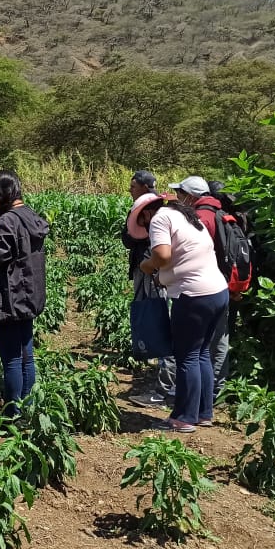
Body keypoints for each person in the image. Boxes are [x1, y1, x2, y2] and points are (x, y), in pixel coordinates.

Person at [136, 196, 229, 432]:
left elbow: (164, 256)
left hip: (193, 296)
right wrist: (163, 277)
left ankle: (184, 418)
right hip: (217, 291)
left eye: (142, 222)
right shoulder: (185, 216)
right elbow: (188, 258)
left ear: (147, 214)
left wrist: (148, 265)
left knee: (186, 356)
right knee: (201, 354)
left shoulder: (159, 218)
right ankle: (203, 413)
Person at [0, 170, 49, 418]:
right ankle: (28, 410)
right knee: (26, 357)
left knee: (11, 359)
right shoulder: (31, 215)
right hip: (29, 295)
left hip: (11, 296)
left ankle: (12, 415)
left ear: (3, 196)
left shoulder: (8, 220)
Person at [170, 176, 230, 396]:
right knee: (211, 345)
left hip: (201, 289)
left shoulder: (201, 218)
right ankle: (210, 396)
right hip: (221, 286)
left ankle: (194, 403)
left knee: (192, 353)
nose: (177, 198)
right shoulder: (219, 212)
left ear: (191, 196)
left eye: (180, 193)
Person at [121, 169, 175, 406]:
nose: (130, 191)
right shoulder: (170, 213)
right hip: (163, 275)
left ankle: (166, 387)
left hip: (154, 274)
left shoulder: (155, 217)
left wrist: (151, 269)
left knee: (158, 318)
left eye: (133, 187)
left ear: (144, 188)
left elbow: (130, 239)